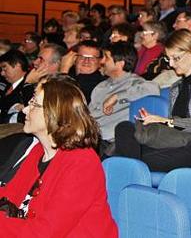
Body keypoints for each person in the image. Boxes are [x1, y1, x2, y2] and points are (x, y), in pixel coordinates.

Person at [0, 75, 117, 236]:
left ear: (54, 113)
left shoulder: (82, 163)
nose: (26, 109)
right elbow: (10, 194)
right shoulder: (39, 151)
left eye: (34, 104)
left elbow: (46, 232)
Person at [115, 30, 191, 172]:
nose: (172, 64)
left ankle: (129, 169)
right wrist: (156, 121)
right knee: (124, 127)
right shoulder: (176, 87)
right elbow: (172, 130)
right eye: (169, 59)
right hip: (174, 143)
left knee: (129, 158)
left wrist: (166, 121)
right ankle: (130, 168)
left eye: (176, 58)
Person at [89, 42, 160, 148]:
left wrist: (117, 96)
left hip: (108, 142)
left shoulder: (134, 83)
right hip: (89, 136)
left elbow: (153, 89)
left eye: (106, 58)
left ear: (120, 63)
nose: (102, 61)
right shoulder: (101, 86)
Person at [0, 50, 35, 124]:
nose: (2, 73)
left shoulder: (29, 86)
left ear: (17, 65)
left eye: (5, 68)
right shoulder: (6, 84)